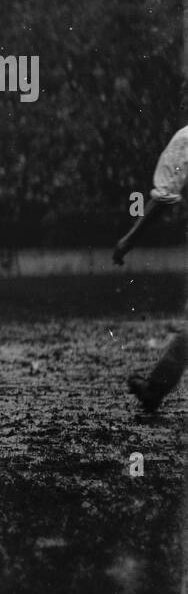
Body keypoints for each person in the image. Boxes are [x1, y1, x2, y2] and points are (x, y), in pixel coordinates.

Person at [113, 124, 188, 412]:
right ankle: (155, 389)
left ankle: (154, 390)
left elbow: (163, 201)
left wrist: (129, 240)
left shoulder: (184, 141)